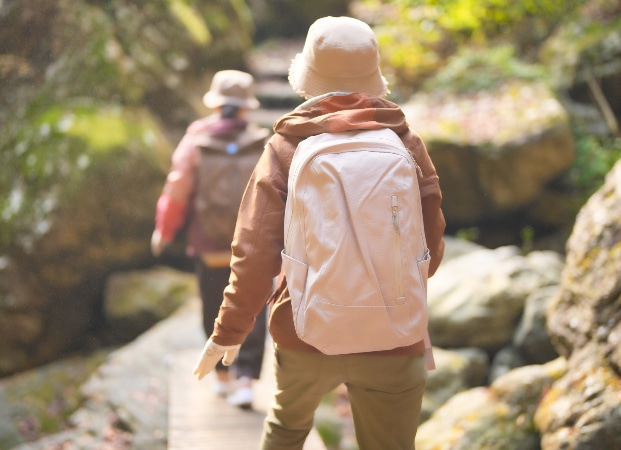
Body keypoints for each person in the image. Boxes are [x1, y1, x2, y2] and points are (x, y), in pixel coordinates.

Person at [192, 16, 446, 449]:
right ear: (373, 76)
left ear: (307, 76)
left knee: (287, 430)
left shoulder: (286, 147)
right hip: (394, 336)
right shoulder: (406, 142)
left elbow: (254, 252)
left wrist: (228, 331)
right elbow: (432, 247)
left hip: (304, 331)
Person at [152, 70, 271, 409]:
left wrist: (164, 229)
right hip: (252, 247)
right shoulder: (262, 141)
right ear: (246, 108)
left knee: (213, 306)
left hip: (208, 243)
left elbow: (177, 188)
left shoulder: (196, 139)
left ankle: (221, 376)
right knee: (252, 309)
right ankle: (246, 380)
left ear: (216, 105)